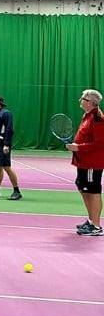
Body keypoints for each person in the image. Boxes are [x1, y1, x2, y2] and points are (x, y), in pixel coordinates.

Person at [66, 89, 104, 236]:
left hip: (92, 164)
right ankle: (90, 220)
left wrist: (78, 147)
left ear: (90, 103)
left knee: (93, 191)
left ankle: (96, 226)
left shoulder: (98, 118)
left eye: (83, 98)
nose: (80, 100)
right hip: (82, 161)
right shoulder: (87, 116)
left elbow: (100, 144)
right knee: (82, 187)